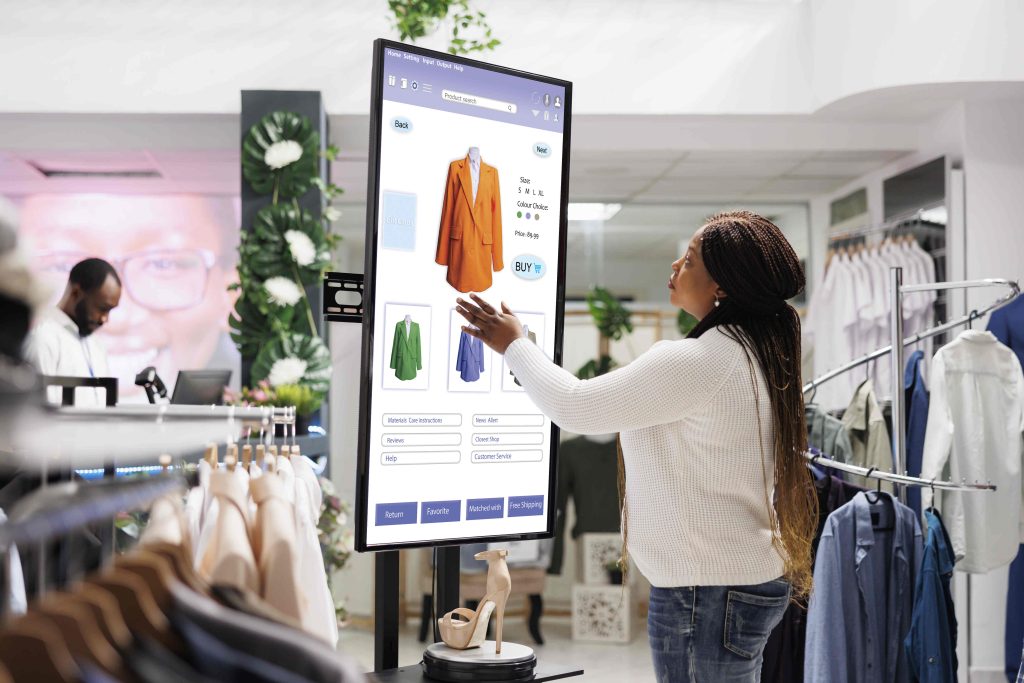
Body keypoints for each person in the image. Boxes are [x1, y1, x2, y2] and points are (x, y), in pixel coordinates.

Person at [456, 210, 818, 682]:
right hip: (732, 580)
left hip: (704, 590)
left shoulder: (698, 360)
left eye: (689, 261)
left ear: (722, 287)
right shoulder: (754, 354)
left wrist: (515, 345)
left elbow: (576, 406)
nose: (674, 266)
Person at [18, 194, 240, 400]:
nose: (119, 319)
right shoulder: (44, 340)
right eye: (60, 264)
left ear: (231, 289)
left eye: (163, 263)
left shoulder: (92, 346)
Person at [26, 257, 121, 406]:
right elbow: (39, 413)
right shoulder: (44, 337)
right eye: (102, 308)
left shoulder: (96, 344)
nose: (105, 319)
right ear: (76, 293)